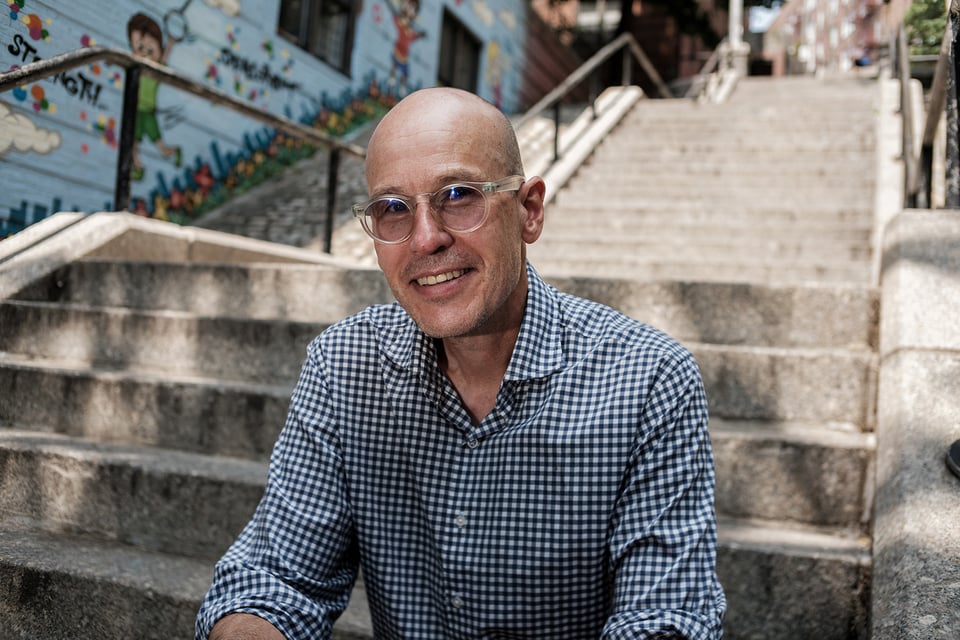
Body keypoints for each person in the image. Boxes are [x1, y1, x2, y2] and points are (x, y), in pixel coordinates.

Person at [195, 87, 726, 639]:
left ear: (529, 210)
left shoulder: (649, 380)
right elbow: (274, 581)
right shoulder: (345, 367)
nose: (426, 239)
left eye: (458, 195)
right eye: (393, 209)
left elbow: (664, 619)